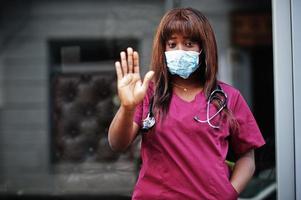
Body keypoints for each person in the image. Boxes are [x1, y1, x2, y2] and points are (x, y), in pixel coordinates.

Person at [108, 7, 265, 200]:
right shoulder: (148, 94)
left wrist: (228, 194)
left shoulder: (228, 97)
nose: (179, 51)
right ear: (163, 49)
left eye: (189, 44)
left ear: (203, 49)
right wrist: (127, 107)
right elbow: (117, 144)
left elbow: (247, 157)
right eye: (172, 44)